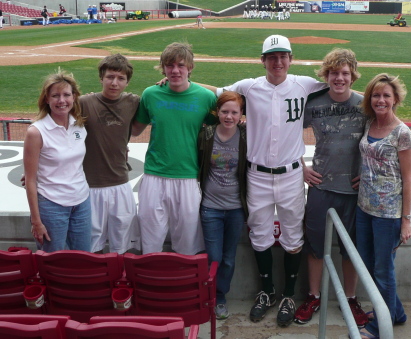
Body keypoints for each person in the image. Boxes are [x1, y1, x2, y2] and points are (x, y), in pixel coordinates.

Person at [191, 35, 328, 327]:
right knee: (260, 235)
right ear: (263, 60)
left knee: (293, 236)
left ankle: (289, 294)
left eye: (283, 56)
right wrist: (180, 82)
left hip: (291, 174)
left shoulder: (304, 84)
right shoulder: (248, 87)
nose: (278, 62)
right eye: (272, 57)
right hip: (257, 175)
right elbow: (217, 92)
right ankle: (267, 291)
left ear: (291, 58)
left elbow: (340, 82)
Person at [293, 48, 369, 327]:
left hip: (353, 190)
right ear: (326, 75)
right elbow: (288, 135)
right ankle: (313, 295)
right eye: (334, 73)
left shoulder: (365, 104)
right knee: (314, 245)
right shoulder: (312, 102)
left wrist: (368, 175)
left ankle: (350, 298)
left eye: (345, 73)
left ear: (353, 76)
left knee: (352, 248)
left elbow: (381, 142)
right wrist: (302, 167)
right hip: (321, 186)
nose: (339, 78)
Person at [132, 42, 217, 255]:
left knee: (187, 245)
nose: (175, 70)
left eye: (181, 65)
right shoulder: (151, 94)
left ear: (190, 67)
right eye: (169, 66)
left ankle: (184, 286)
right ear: (163, 68)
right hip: (154, 176)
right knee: (150, 243)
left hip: (188, 177)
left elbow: (225, 125)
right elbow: (134, 130)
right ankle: (151, 285)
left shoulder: (206, 98)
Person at [356, 73, 411, 339]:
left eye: (386, 95)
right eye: (376, 95)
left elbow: (408, 177)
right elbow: (371, 158)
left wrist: (406, 219)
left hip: (387, 214)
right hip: (364, 207)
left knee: (383, 269)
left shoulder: (402, 133)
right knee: (368, 265)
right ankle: (395, 312)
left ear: (395, 99)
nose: (381, 100)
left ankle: (381, 326)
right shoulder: (369, 124)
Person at [23, 69, 91, 252]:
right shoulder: (36, 132)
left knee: (83, 257)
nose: (62, 101)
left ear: (74, 97)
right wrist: (36, 221)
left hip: (82, 202)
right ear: (46, 99)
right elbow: (29, 180)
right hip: (52, 205)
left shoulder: (79, 124)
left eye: (67, 95)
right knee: (53, 262)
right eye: (55, 96)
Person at [80, 54, 140, 254]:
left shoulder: (133, 102)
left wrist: (164, 82)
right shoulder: (84, 103)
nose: (114, 83)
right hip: (90, 187)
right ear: (101, 78)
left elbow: (163, 96)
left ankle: (119, 283)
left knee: (122, 246)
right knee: (91, 247)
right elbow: (55, 133)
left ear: (127, 82)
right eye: (110, 77)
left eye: (121, 78)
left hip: (121, 184)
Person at [198, 91, 248, 320]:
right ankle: (207, 295)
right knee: (214, 255)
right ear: (217, 112)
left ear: (241, 115)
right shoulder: (206, 134)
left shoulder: (246, 135)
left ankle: (220, 296)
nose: (229, 116)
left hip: (236, 208)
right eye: (224, 111)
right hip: (210, 207)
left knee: (229, 256)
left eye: (234, 112)